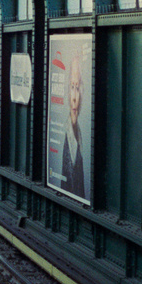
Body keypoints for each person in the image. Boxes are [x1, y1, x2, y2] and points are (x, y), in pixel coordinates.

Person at [61, 52, 85, 199]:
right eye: (72, 87)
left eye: (78, 88)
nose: (74, 98)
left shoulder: (80, 133)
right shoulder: (68, 134)